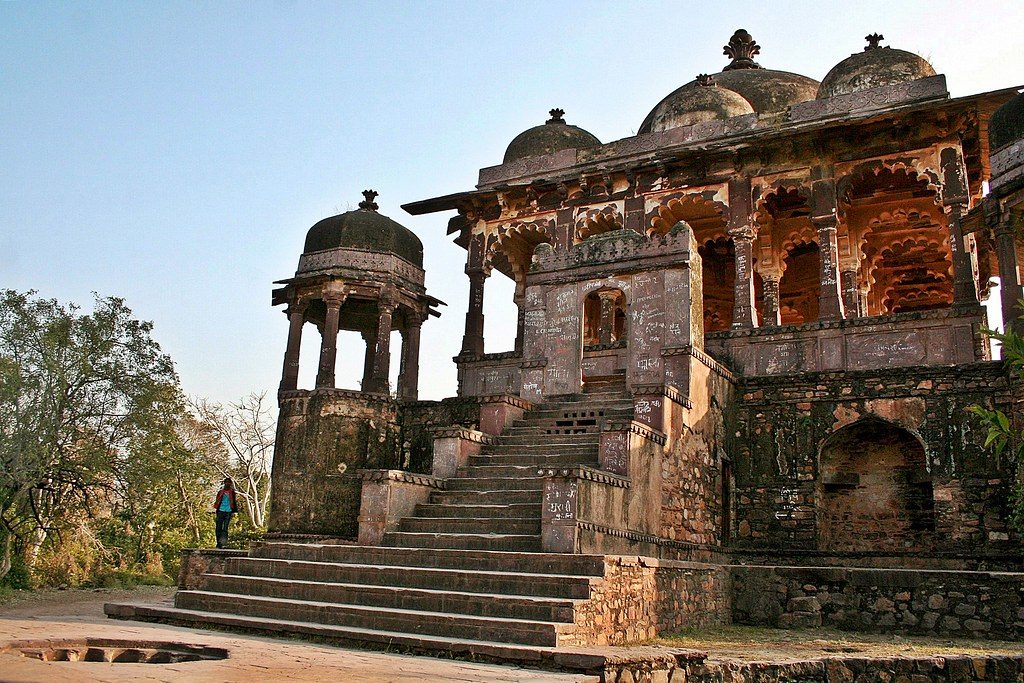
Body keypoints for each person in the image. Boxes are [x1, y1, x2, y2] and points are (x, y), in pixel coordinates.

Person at [214, 478, 238, 549]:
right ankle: (218, 543)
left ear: (230, 484)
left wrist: (234, 512)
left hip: (228, 511)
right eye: (226, 482)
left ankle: (223, 543)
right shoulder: (220, 492)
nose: (227, 484)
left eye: (229, 482)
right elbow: (217, 501)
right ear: (224, 483)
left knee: (225, 528)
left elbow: (234, 502)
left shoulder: (232, 492)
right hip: (220, 511)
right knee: (218, 528)